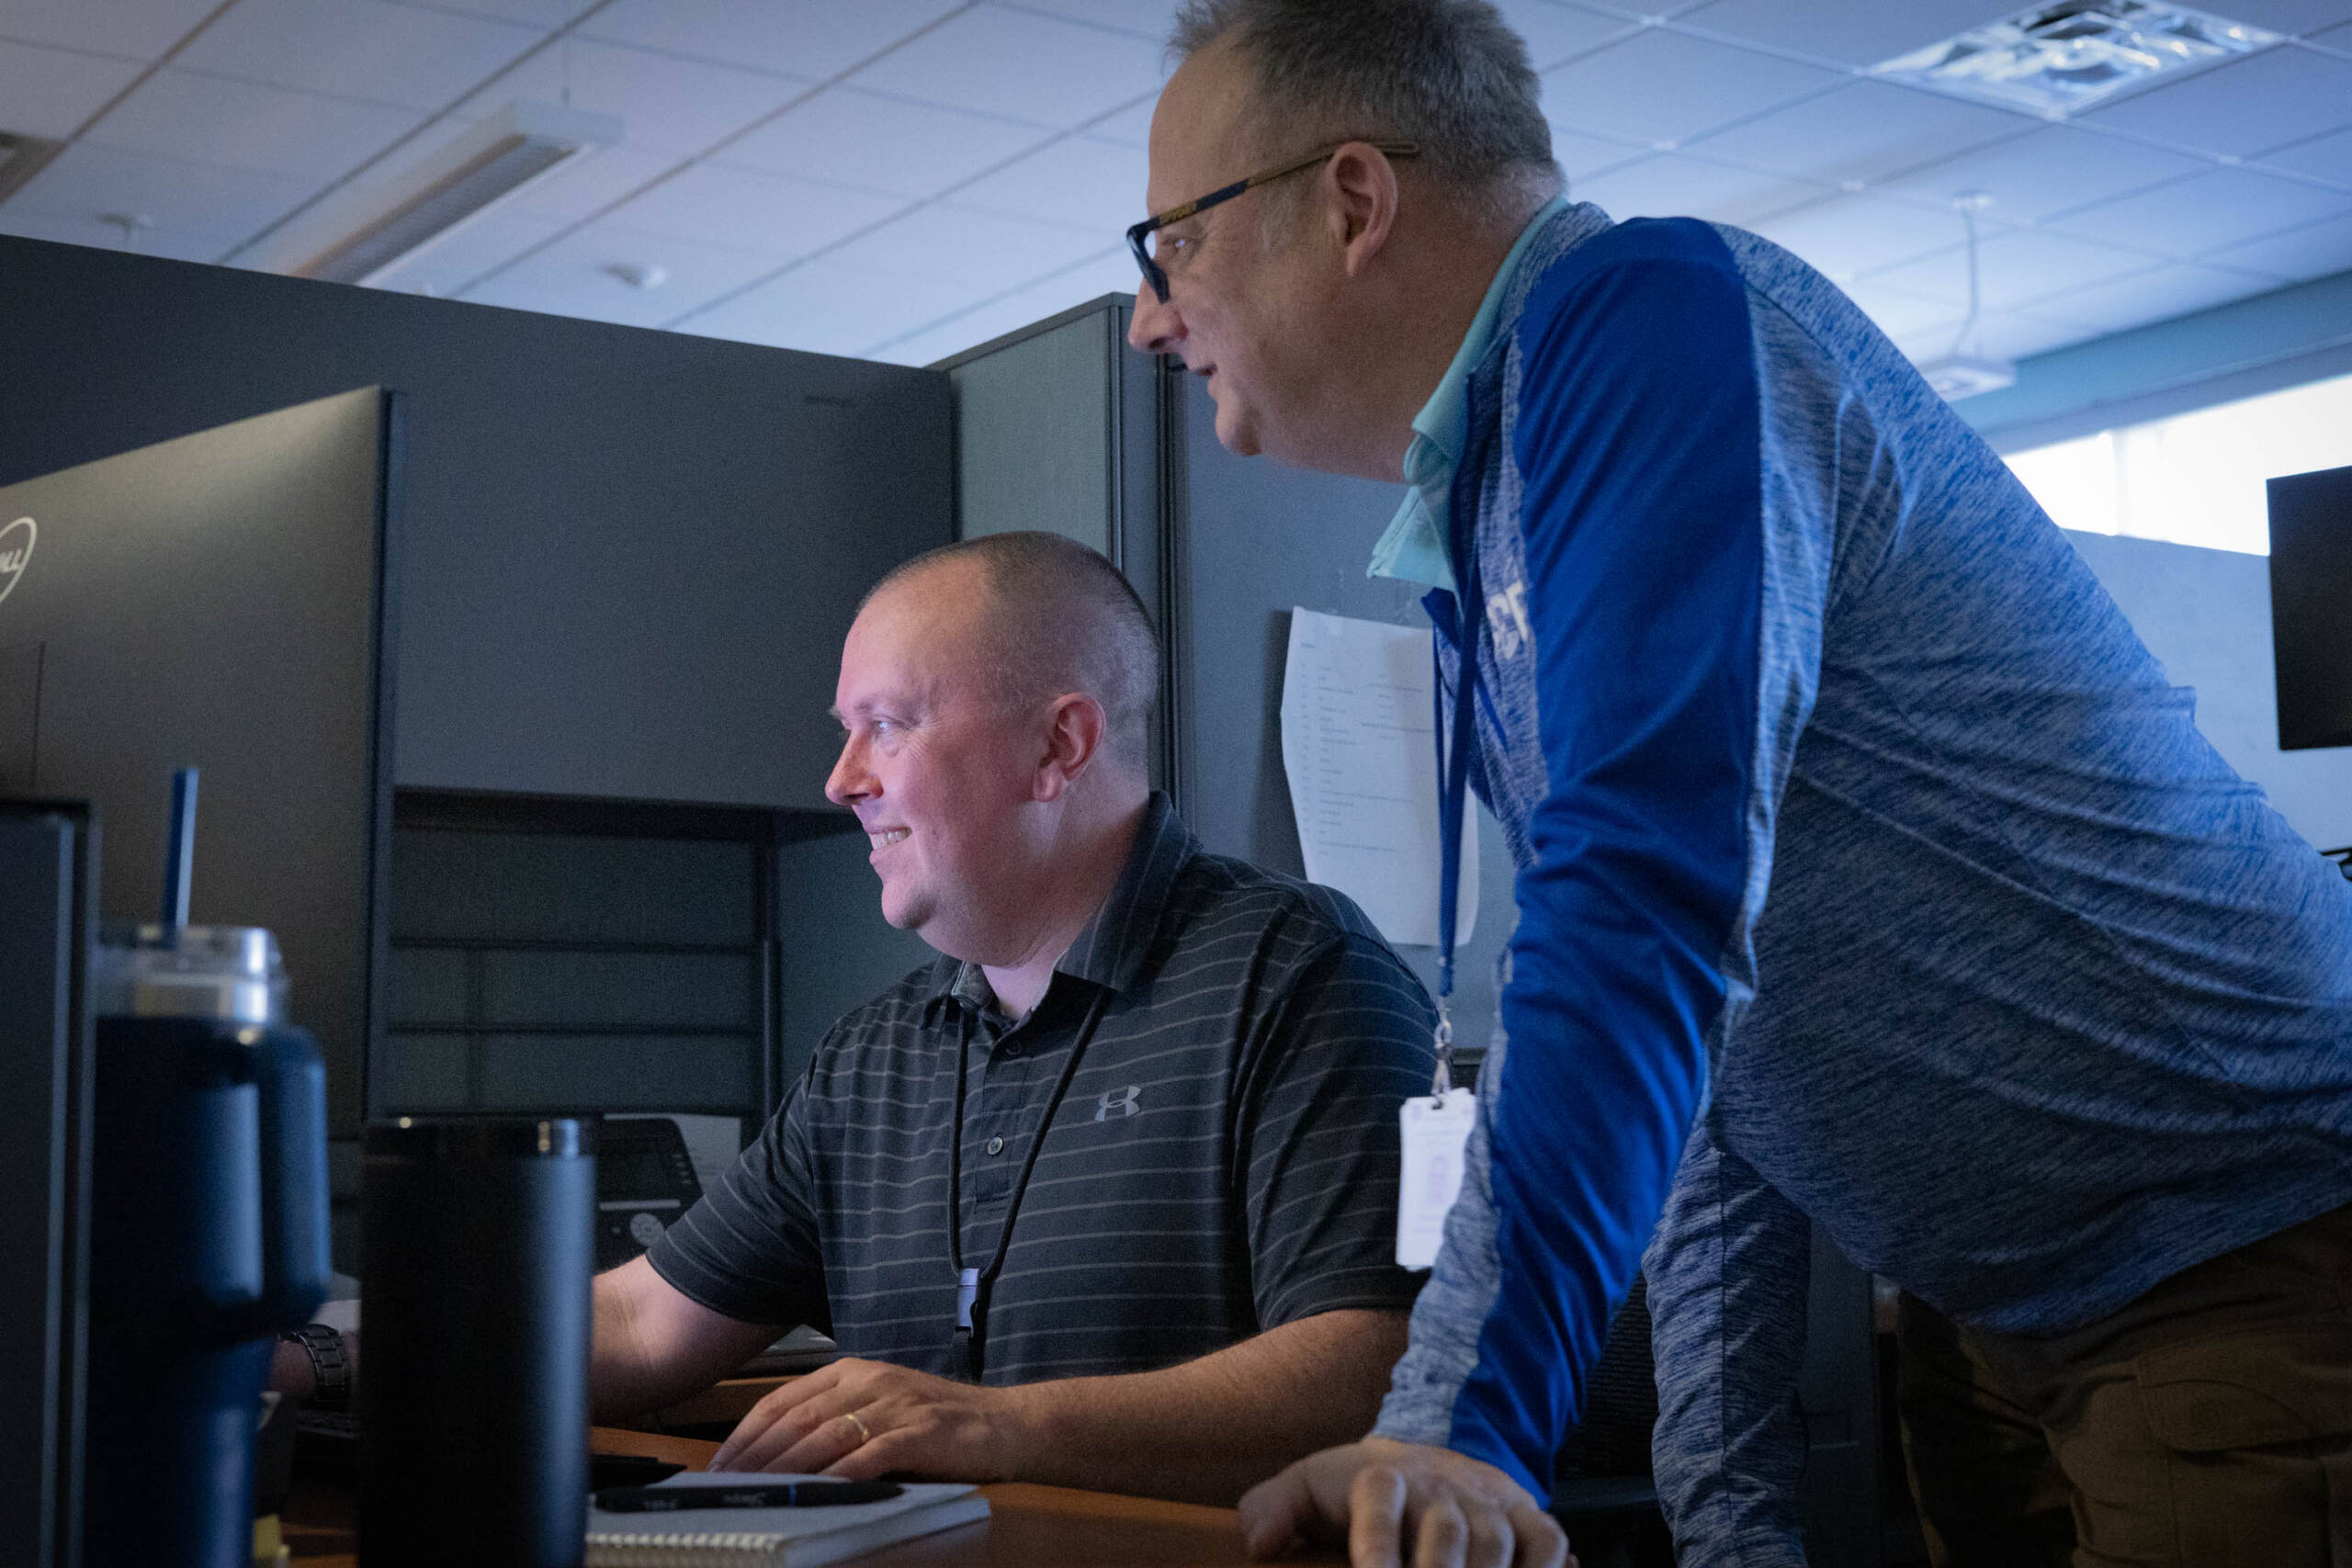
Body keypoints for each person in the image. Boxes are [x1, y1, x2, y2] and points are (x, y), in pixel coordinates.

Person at [1122, 3, 2352, 1565]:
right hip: (2002, 1298)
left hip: (2238, 1240)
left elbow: (1639, 910)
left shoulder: (1646, 318)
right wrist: (1728, 1521)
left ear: (1354, 201)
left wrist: (1460, 1423)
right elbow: (1714, 1046)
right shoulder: (1496, 493)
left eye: (1173, 244)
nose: (1151, 318)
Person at [280, 531, 1442, 1506]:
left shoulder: (1298, 977)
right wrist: (311, 1360)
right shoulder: (879, 1054)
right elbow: (638, 1325)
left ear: (1059, 746)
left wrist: (1000, 1427)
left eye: (886, 724)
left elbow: (1380, 1369)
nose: (841, 779)